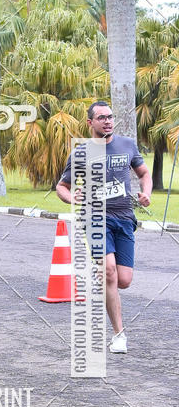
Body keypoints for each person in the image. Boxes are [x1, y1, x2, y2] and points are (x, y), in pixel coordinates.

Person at [56, 100, 152, 354]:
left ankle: (105, 287)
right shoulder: (81, 153)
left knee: (124, 280)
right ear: (90, 123)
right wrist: (71, 198)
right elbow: (62, 187)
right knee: (109, 271)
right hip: (95, 217)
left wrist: (146, 193)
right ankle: (119, 335)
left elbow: (144, 174)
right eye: (102, 118)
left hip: (124, 217)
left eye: (110, 117)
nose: (108, 121)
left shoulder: (127, 145)